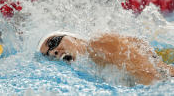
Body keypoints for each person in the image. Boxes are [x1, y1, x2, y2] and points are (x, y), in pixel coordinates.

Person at [39, 32, 174, 85]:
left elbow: (155, 77)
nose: (54, 52)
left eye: (53, 43)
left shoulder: (98, 44)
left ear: (72, 36)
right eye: (48, 55)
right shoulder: (89, 68)